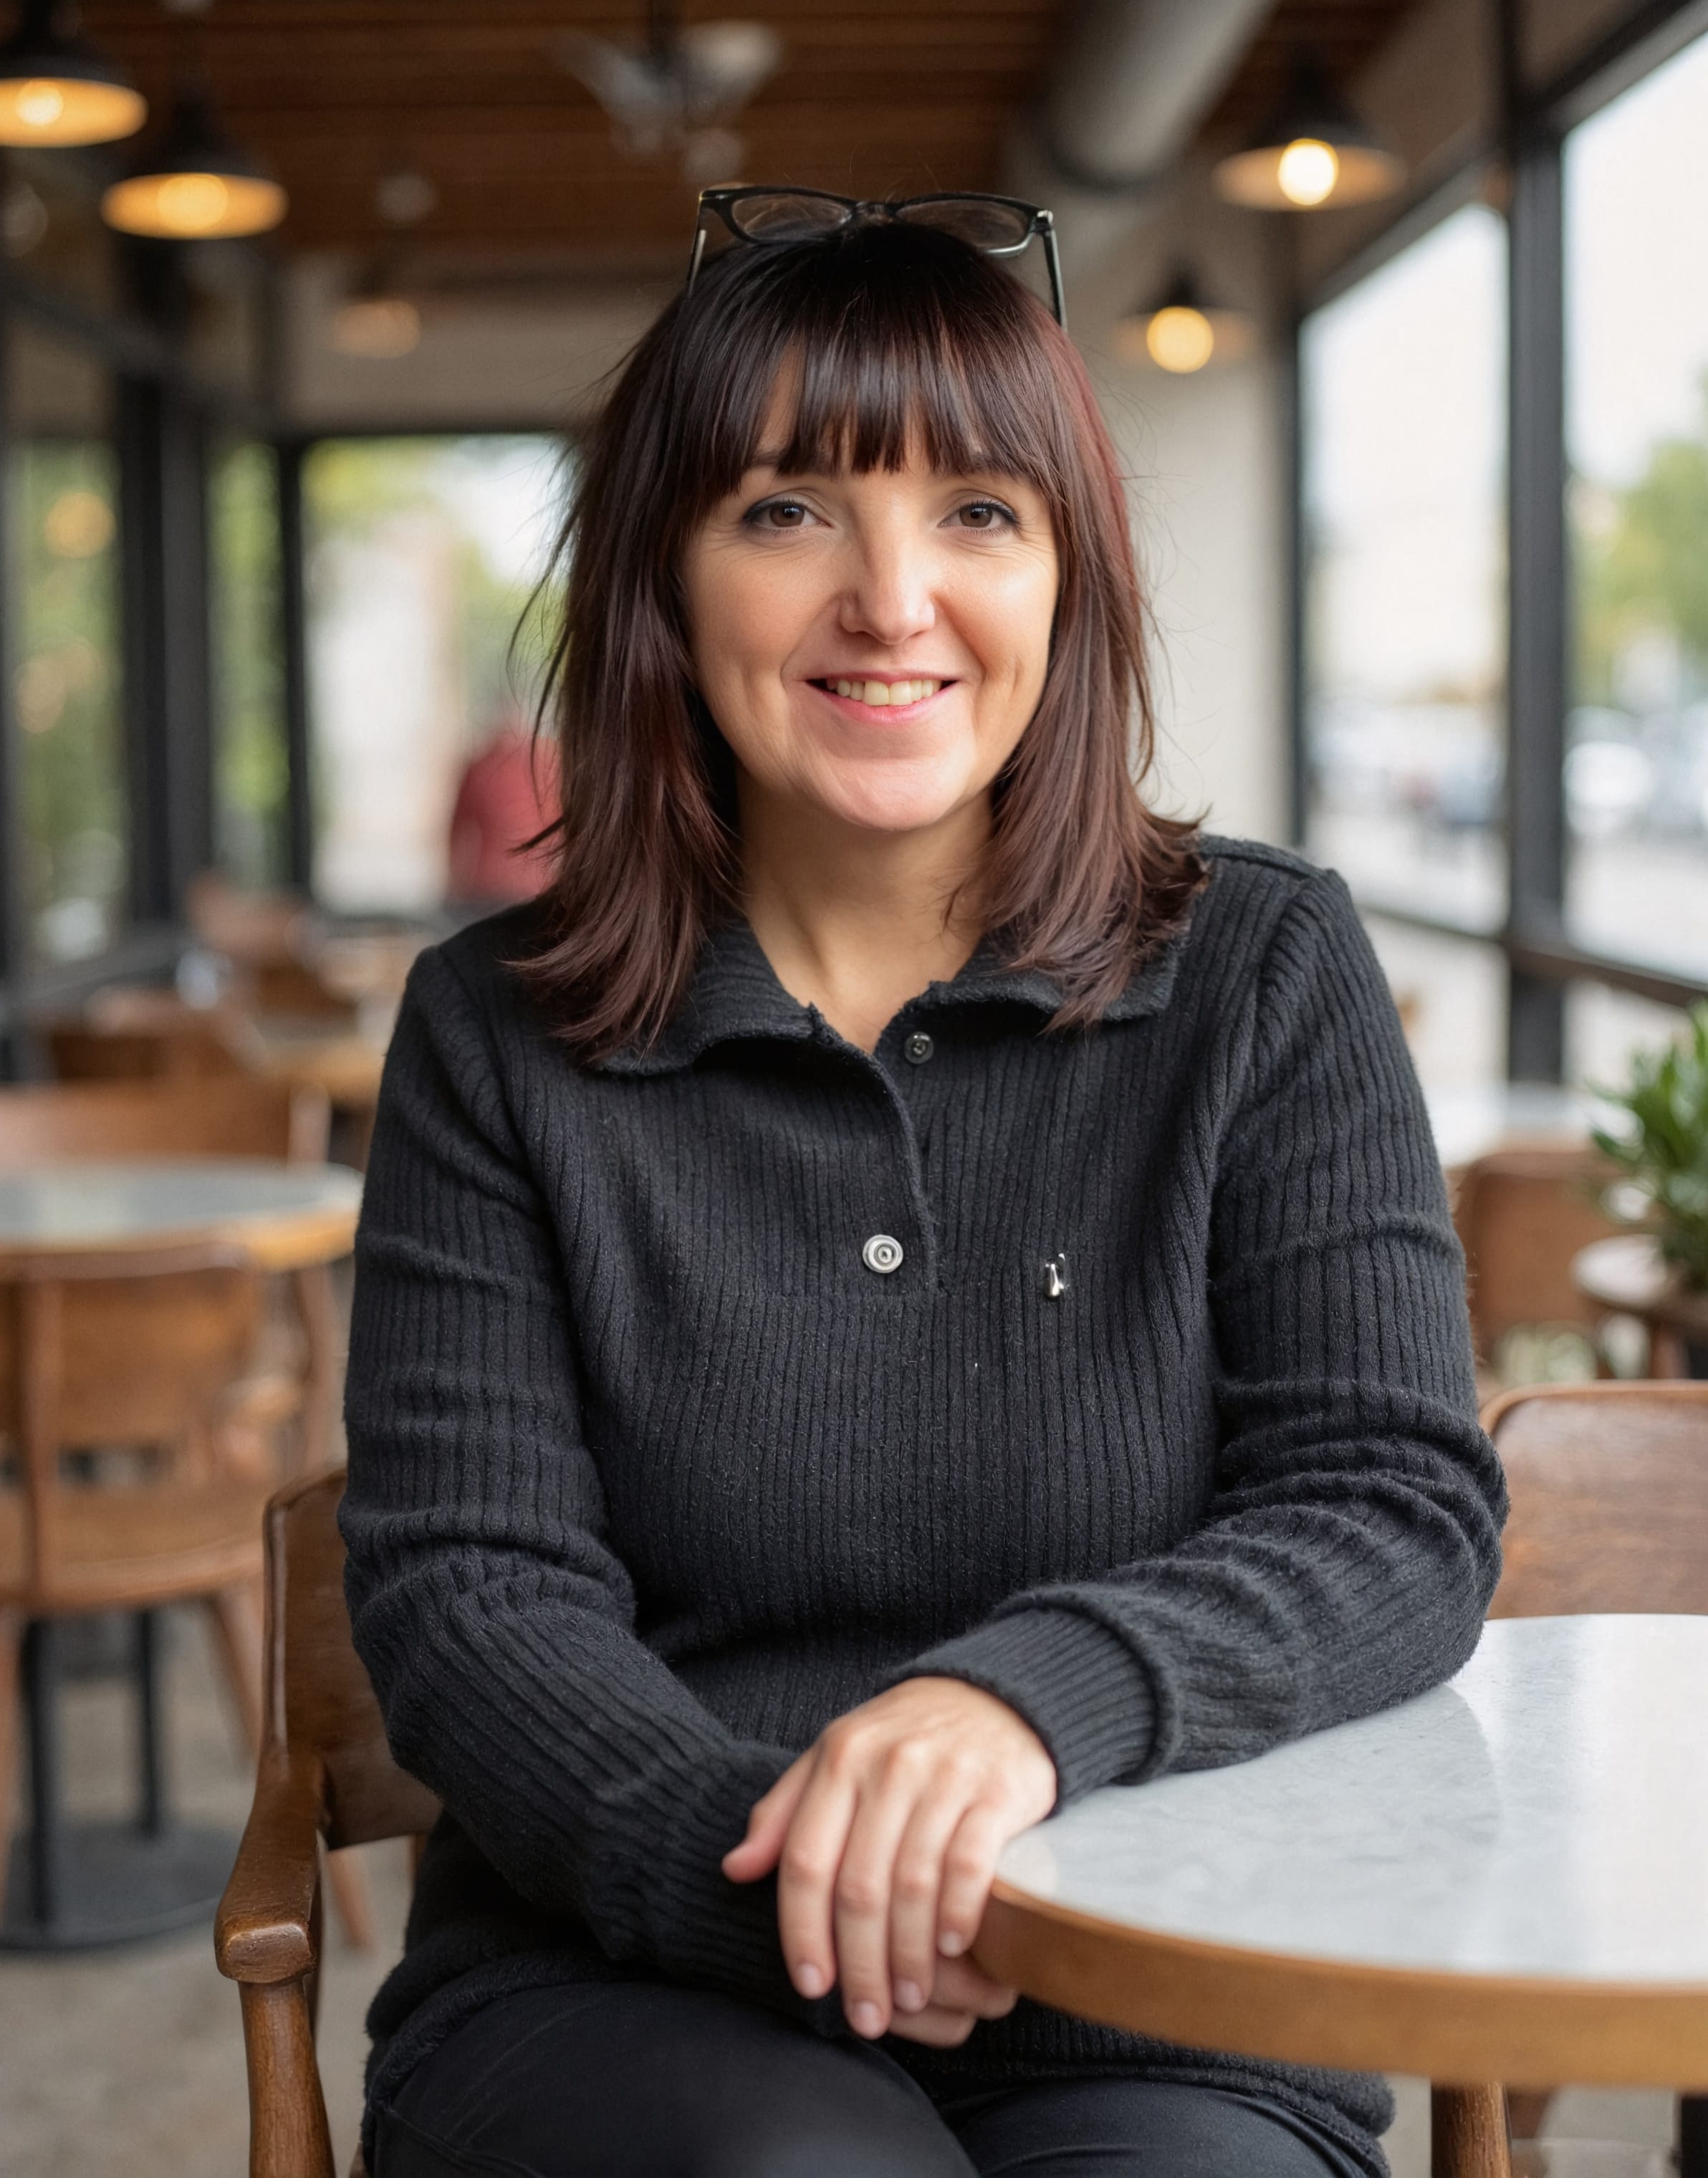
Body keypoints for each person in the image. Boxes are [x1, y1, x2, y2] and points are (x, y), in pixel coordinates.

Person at [341, 198, 1505, 2178]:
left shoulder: (1266, 973)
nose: (892, 599)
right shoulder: (493, 1034)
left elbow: (1391, 1507)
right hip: (630, 1976)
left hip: (1171, 1972)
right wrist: (773, 1885)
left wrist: (1019, 1704)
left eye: (979, 512)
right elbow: (470, 1596)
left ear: (1067, 579)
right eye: (788, 510)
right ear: (664, 580)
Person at [445, 710, 560, 905]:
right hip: (535, 887)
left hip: (489, 887)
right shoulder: (549, 765)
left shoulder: (481, 767)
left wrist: (455, 884)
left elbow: (457, 833)